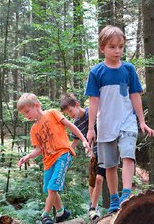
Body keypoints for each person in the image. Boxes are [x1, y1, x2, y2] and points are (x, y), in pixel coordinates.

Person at [85, 25, 154, 213]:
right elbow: (93, 101)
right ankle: (114, 198)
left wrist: (141, 121)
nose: (117, 51)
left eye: (121, 46)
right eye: (112, 47)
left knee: (128, 156)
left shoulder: (129, 69)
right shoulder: (96, 72)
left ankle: (126, 193)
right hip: (106, 124)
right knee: (110, 165)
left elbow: (135, 96)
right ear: (102, 49)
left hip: (127, 122)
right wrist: (91, 128)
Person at [17, 93, 90, 224]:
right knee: (48, 188)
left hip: (63, 154)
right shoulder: (34, 129)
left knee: (52, 187)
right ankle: (61, 212)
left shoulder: (52, 113)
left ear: (37, 106)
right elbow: (39, 149)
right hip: (48, 161)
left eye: (27, 111)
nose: (26, 115)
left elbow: (71, 125)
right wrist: (27, 156)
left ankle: (45, 215)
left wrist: (83, 139)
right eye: (23, 114)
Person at [60, 93, 106, 221]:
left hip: (104, 150)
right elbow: (74, 142)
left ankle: (98, 205)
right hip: (93, 155)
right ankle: (93, 209)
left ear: (77, 105)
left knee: (99, 180)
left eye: (70, 111)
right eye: (67, 114)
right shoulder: (75, 123)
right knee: (92, 183)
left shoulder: (91, 112)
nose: (70, 115)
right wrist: (66, 153)